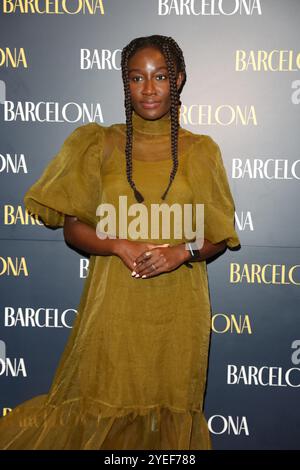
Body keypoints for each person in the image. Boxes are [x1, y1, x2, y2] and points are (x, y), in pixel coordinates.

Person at [0, 34, 240, 450]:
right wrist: (118, 245)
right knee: (98, 410)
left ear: (178, 80)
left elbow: (219, 236)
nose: (149, 89)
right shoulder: (98, 143)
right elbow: (73, 226)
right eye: (136, 78)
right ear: (125, 84)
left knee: (168, 421)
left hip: (179, 311)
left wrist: (181, 253)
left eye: (160, 76)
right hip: (113, 307)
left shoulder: (202, 151)